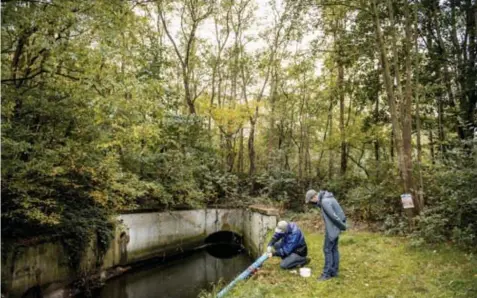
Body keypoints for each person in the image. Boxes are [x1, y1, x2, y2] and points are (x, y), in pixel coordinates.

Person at [305, 189, 347, 281]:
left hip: (333, 227)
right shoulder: (328, 197)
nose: (312, 203)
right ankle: (334, 272)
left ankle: (326, 274)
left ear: (314, 197)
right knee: (334, 249)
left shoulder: (324, 201)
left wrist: (342, 226)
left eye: (311, 201)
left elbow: (333, 217)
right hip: (335, 227)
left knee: (327, 249)